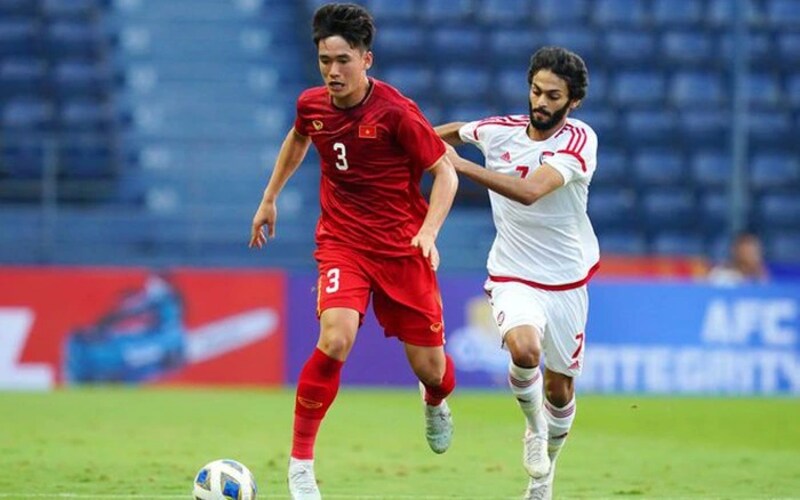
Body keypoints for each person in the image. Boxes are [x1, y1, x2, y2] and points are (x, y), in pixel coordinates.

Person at [249, 3, 459, 499]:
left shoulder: (396, 112)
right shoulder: (312, 104)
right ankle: (301, 466)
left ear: (366, 59)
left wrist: (429, 232)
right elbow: (299, 138)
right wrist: (269, 197)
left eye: (343, 60)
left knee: (433, 371)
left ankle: (434, 400)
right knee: (335, 338)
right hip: (343, 242)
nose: (332, 71)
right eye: (325, 60)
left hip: (403, 247)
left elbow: (445, 173)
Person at [435, 46, 599, 500]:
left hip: (566, 281)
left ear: (573, 101)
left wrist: (461, 166)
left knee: (560, 390)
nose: (541, 102)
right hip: (513, 273)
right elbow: (453, 132)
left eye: (553, 96)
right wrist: (410, 139)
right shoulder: (499, 131)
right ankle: (533, 429)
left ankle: (543, 479)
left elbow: (529, 192)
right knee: (525, 350)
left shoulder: (580, 141)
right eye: (536, 91)